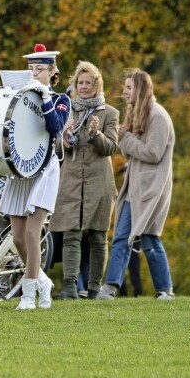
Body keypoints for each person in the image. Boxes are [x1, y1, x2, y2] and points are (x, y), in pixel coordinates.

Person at [0, 44, 70, 310]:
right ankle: (42, 280)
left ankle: (29, 294)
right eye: (31, 69)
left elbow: (55, 128)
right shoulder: (24, 95)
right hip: (21, 168)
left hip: (45, 168)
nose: (34, 74)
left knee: (32, 231)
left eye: (40, 70)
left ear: (52, 71)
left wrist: (47, 99)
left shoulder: (62, 99)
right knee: (17, 236)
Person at [98, 69, 175, 300]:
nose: (124, 91)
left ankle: (165, 290)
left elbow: (153, 153)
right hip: (135, 189)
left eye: (129, 87)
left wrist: (126, 138)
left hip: (152, 191)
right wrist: (126, 138)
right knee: (121, 236)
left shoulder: (158, 116)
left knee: (150, 238)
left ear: (140, 89)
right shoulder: (139, 114)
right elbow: (133, 155)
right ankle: (110, 288)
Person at [49, 61, 119, 300]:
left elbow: (111, 148)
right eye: (81, 83)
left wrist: (95, 135)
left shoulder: (109, 113)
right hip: (70, 180)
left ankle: (92, 288)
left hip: (99, 182)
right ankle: (69, 287)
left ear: (97, 84)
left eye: (89, 83)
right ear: (75, 85)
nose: (85, 87)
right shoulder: (67, 110)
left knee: (98, 235)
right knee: (70, 233)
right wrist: (65, 139)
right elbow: (57, 147)